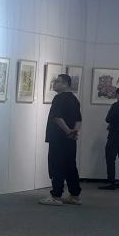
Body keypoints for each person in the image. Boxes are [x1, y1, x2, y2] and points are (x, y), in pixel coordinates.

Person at [40, 73, 82, 206]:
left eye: (57, 82)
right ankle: (75, 195)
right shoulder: (74, 99)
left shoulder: (59, 98)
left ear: (65, 84)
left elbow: (57, 118)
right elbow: (79, 120)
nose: (54, 84)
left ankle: (56, 196)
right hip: (70, 139)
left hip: (58, 138)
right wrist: (74, 132)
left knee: (56, 165)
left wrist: (68, 131)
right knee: (70, 166)